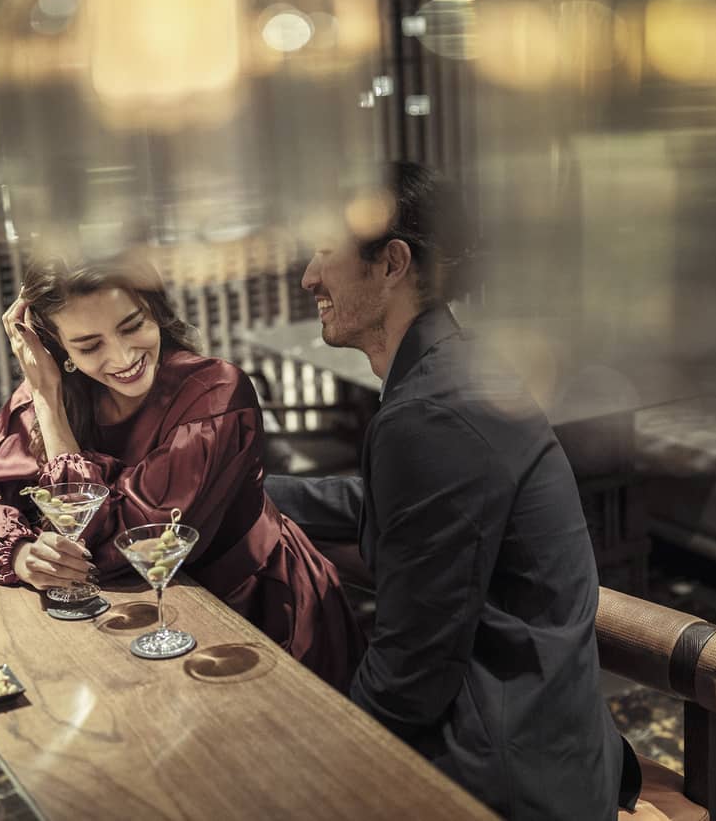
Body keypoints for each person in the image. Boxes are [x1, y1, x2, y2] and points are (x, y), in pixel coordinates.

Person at [266, 161, 641, 819]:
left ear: (393, 264)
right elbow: (403, 508)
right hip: (534, 736)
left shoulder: (431, 412)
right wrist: (255, 491)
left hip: (508, 775)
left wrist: (319, 772)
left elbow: (409, 676)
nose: (308, 277)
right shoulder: (449, 372)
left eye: (324, 253)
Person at [0, 252, 364, 691]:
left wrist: (52, 414)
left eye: (132, 326)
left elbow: (127, 548)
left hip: (256, 616)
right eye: (88, 345)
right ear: (55, 347)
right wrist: (24, 556)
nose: (122, 357)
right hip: (131, 627)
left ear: (155, 311)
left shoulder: (216, 394)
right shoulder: (45, 394)